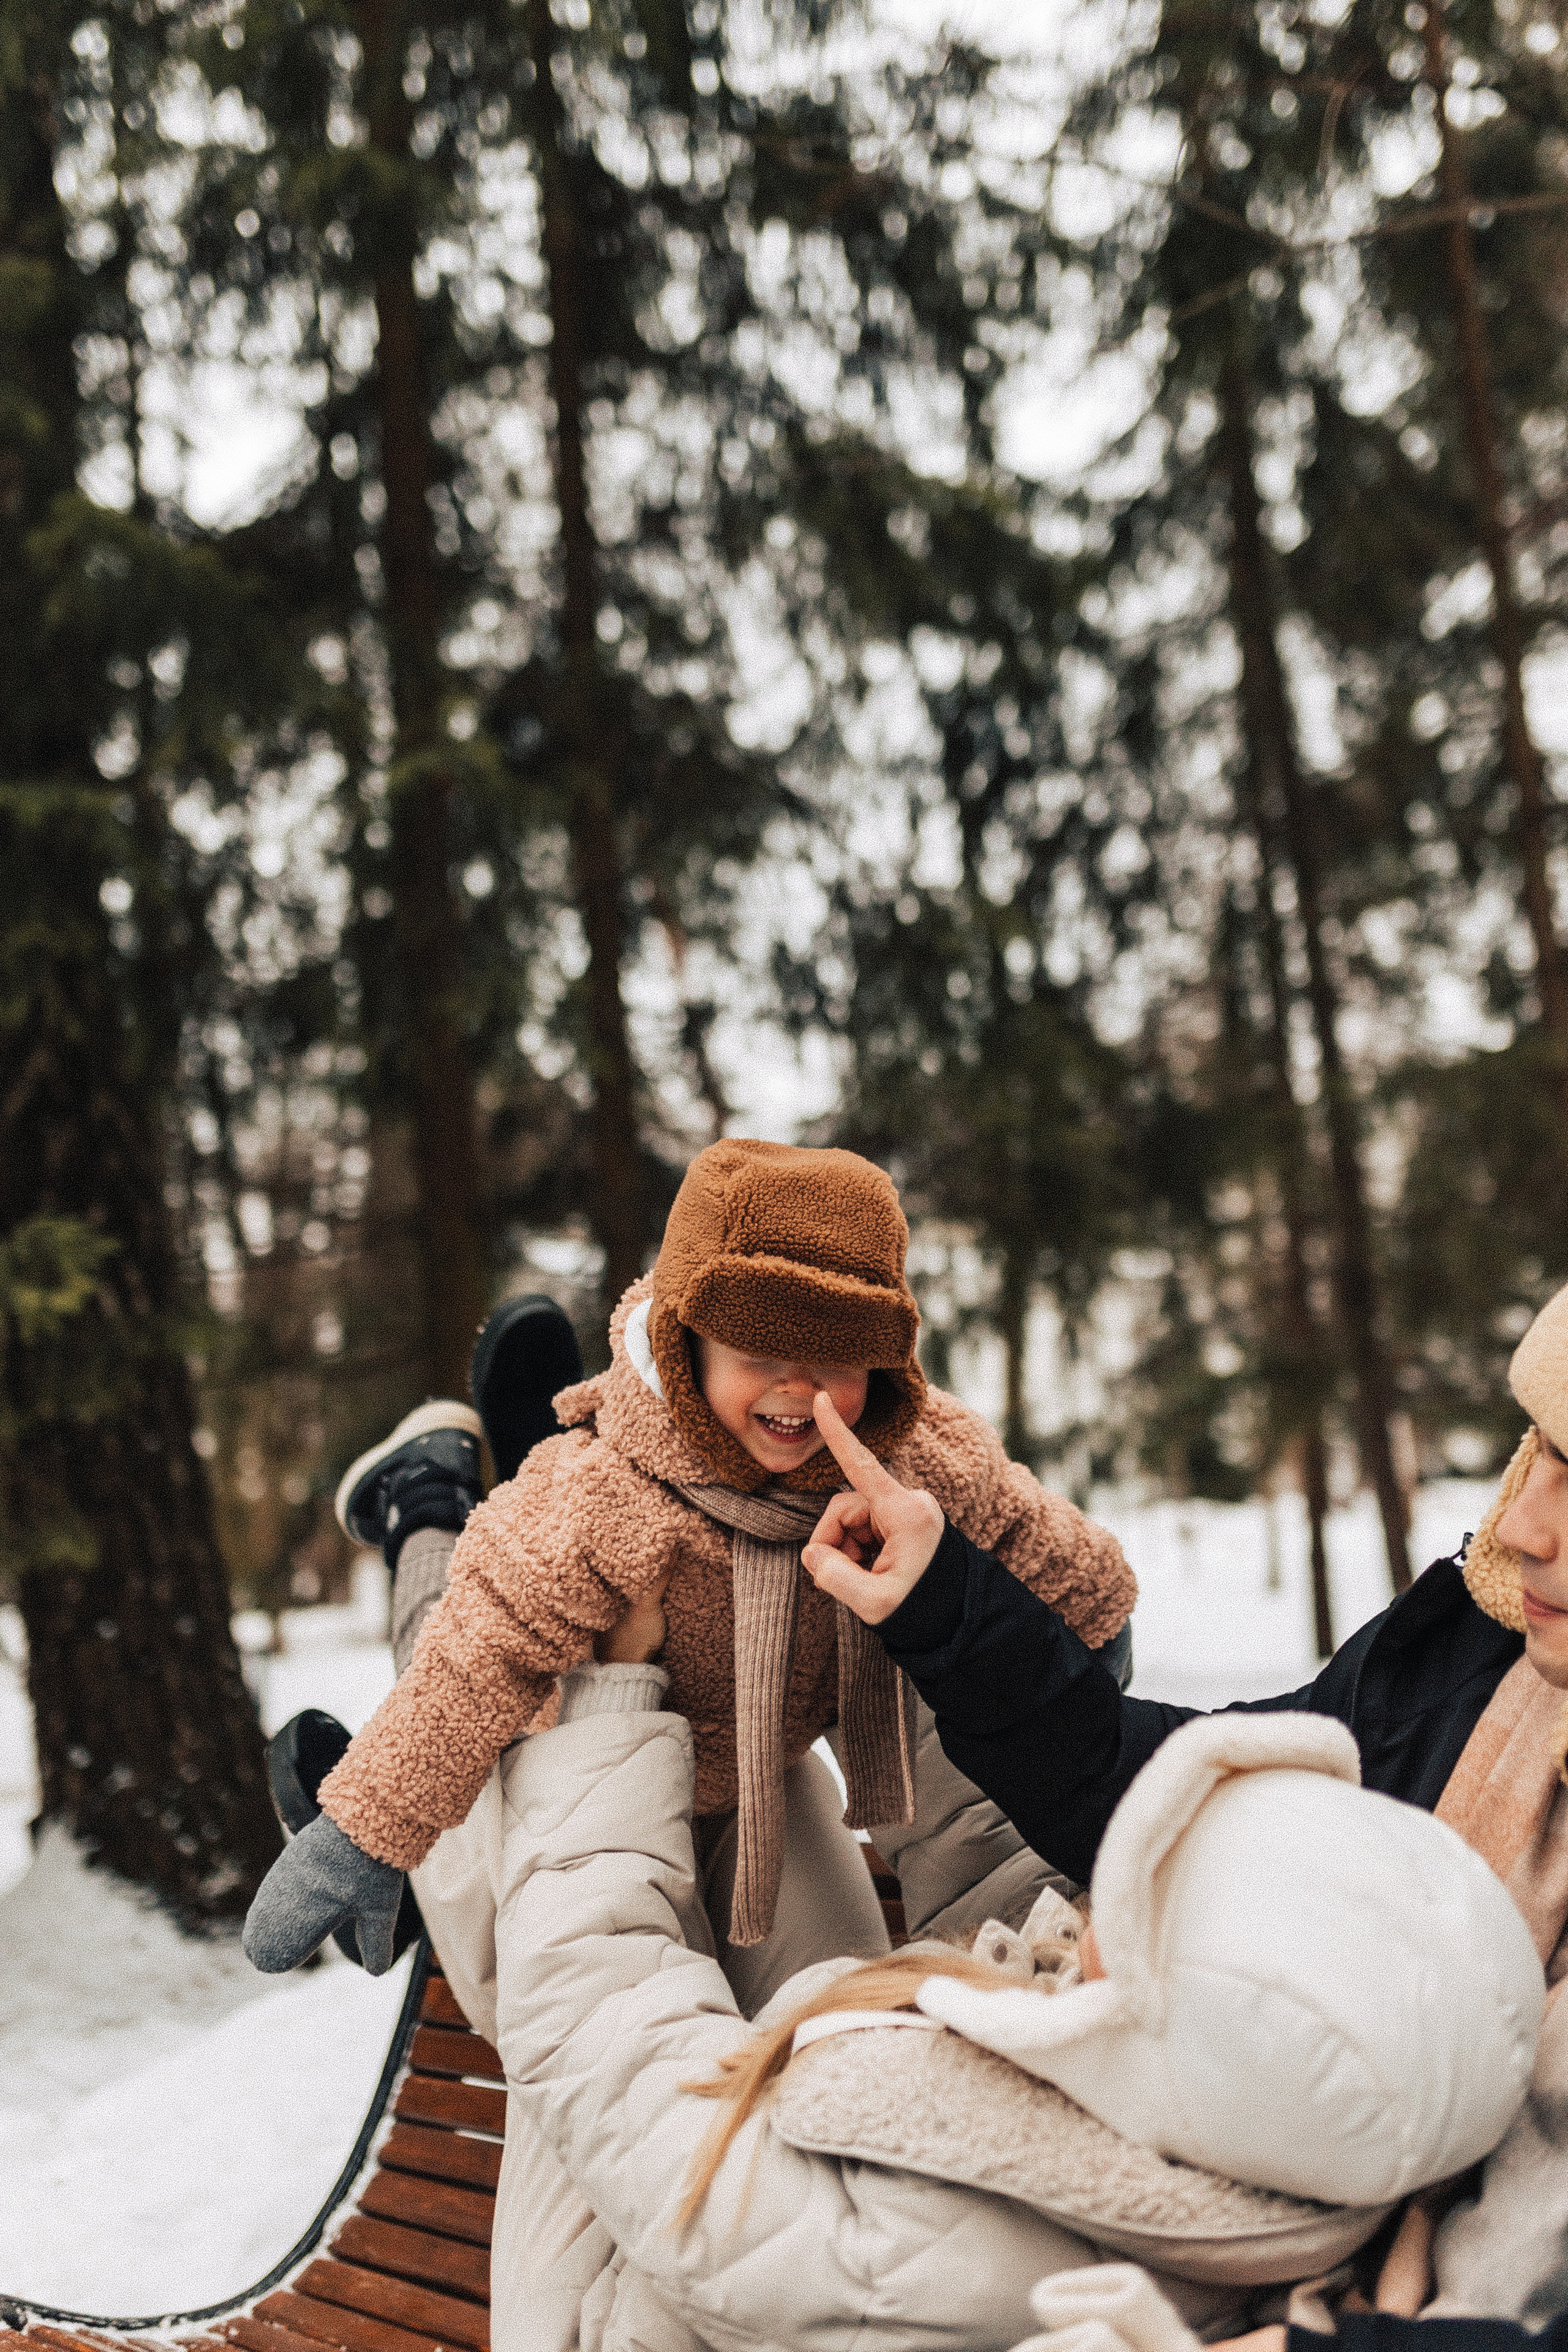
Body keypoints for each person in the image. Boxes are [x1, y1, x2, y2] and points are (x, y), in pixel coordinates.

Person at [799, 1278, 1568, 2335]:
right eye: (1537, 1454)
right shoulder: (1477, 1656)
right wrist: (948, 1607)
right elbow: (1177, 1800)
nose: (1524, 1524)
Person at [244, 1139, 1134, 1996]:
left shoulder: (914, 1459)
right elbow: (474, 1660)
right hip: (580, 1729)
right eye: (761, 1357)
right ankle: (426, 1495)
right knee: (476, 1622)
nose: (801, 1391)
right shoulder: (606, 1497)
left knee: (833, 1987)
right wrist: (364, 1833)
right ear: (687, 1344)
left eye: (837, 1360)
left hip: (757, 1770)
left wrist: (1085, 1658)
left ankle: (490, 1466)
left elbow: (1028, 1533)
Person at [443, 1658, 1537, 2352]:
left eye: (1140, 1903)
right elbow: (991, 1895)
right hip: (796, 2104)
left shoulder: (910, 2256)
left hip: (615, 2299)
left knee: (541, 1814)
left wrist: (610, 1689)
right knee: (753, 1775)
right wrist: (923, 1651)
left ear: (1153, 2002)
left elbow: (594, 2014)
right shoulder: (1270, 2132)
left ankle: (428, 1570)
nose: (1099, 1901)